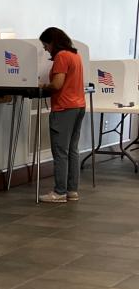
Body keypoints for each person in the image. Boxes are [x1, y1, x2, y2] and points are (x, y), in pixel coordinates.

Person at [38, 27, 86, 203]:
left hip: (64, 107)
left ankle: (59, 192)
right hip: (79, 106)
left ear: (53, 42)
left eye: (45, 45)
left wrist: (43, 85)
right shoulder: (76, 55)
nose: (45, 49)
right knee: (72, 150)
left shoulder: (61, 56)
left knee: (60, 151)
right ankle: (72, 190)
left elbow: (57, 84)